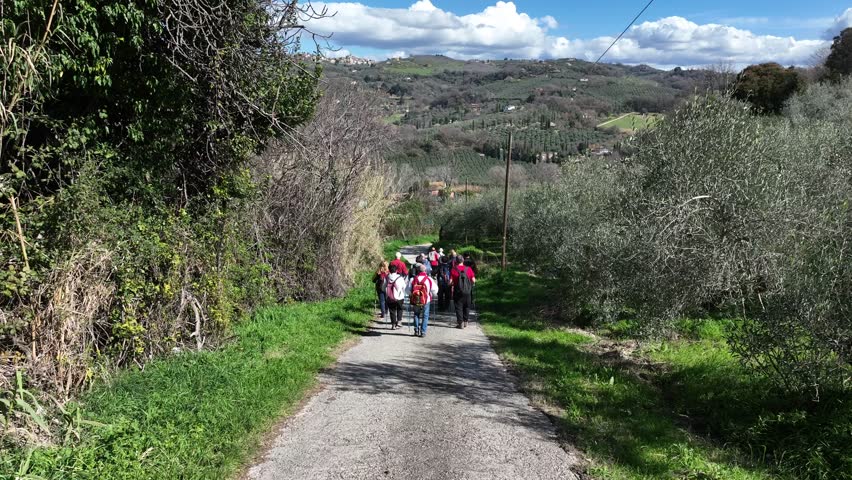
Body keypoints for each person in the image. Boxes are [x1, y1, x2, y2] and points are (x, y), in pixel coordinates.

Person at [406, 263, 438, 337]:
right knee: (425, 315)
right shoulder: (429, 279)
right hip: (426, 299)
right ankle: (423, 331)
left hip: (415, 299)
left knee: (416, 314)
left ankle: (416, 330)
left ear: (417, 270)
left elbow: (407, 290)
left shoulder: (413, 279)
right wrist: (433, 295)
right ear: (425, 271)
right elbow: (435, 290)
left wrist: (411, 295)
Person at [450, 255, 476, 328]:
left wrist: (451, 284)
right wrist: (470, 285)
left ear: (456, 261)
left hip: (458, 291)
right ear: (463, 260)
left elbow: (450, 282)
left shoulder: (453, 269)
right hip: (467, 291)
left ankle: (460, 323)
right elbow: (473, 280)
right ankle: (466, 322)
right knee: (467, 306)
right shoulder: (469, 269)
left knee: (458, 307)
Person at [385, 264, 407, 330]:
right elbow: (404, 287)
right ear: (396, 270)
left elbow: (384, 286)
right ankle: (399, 321)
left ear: (389, 270)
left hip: (390, 297)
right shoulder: (400, 278)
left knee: (392, 311)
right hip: (399, 297)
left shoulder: (387, 277)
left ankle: (393, 325)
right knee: (400, 309)